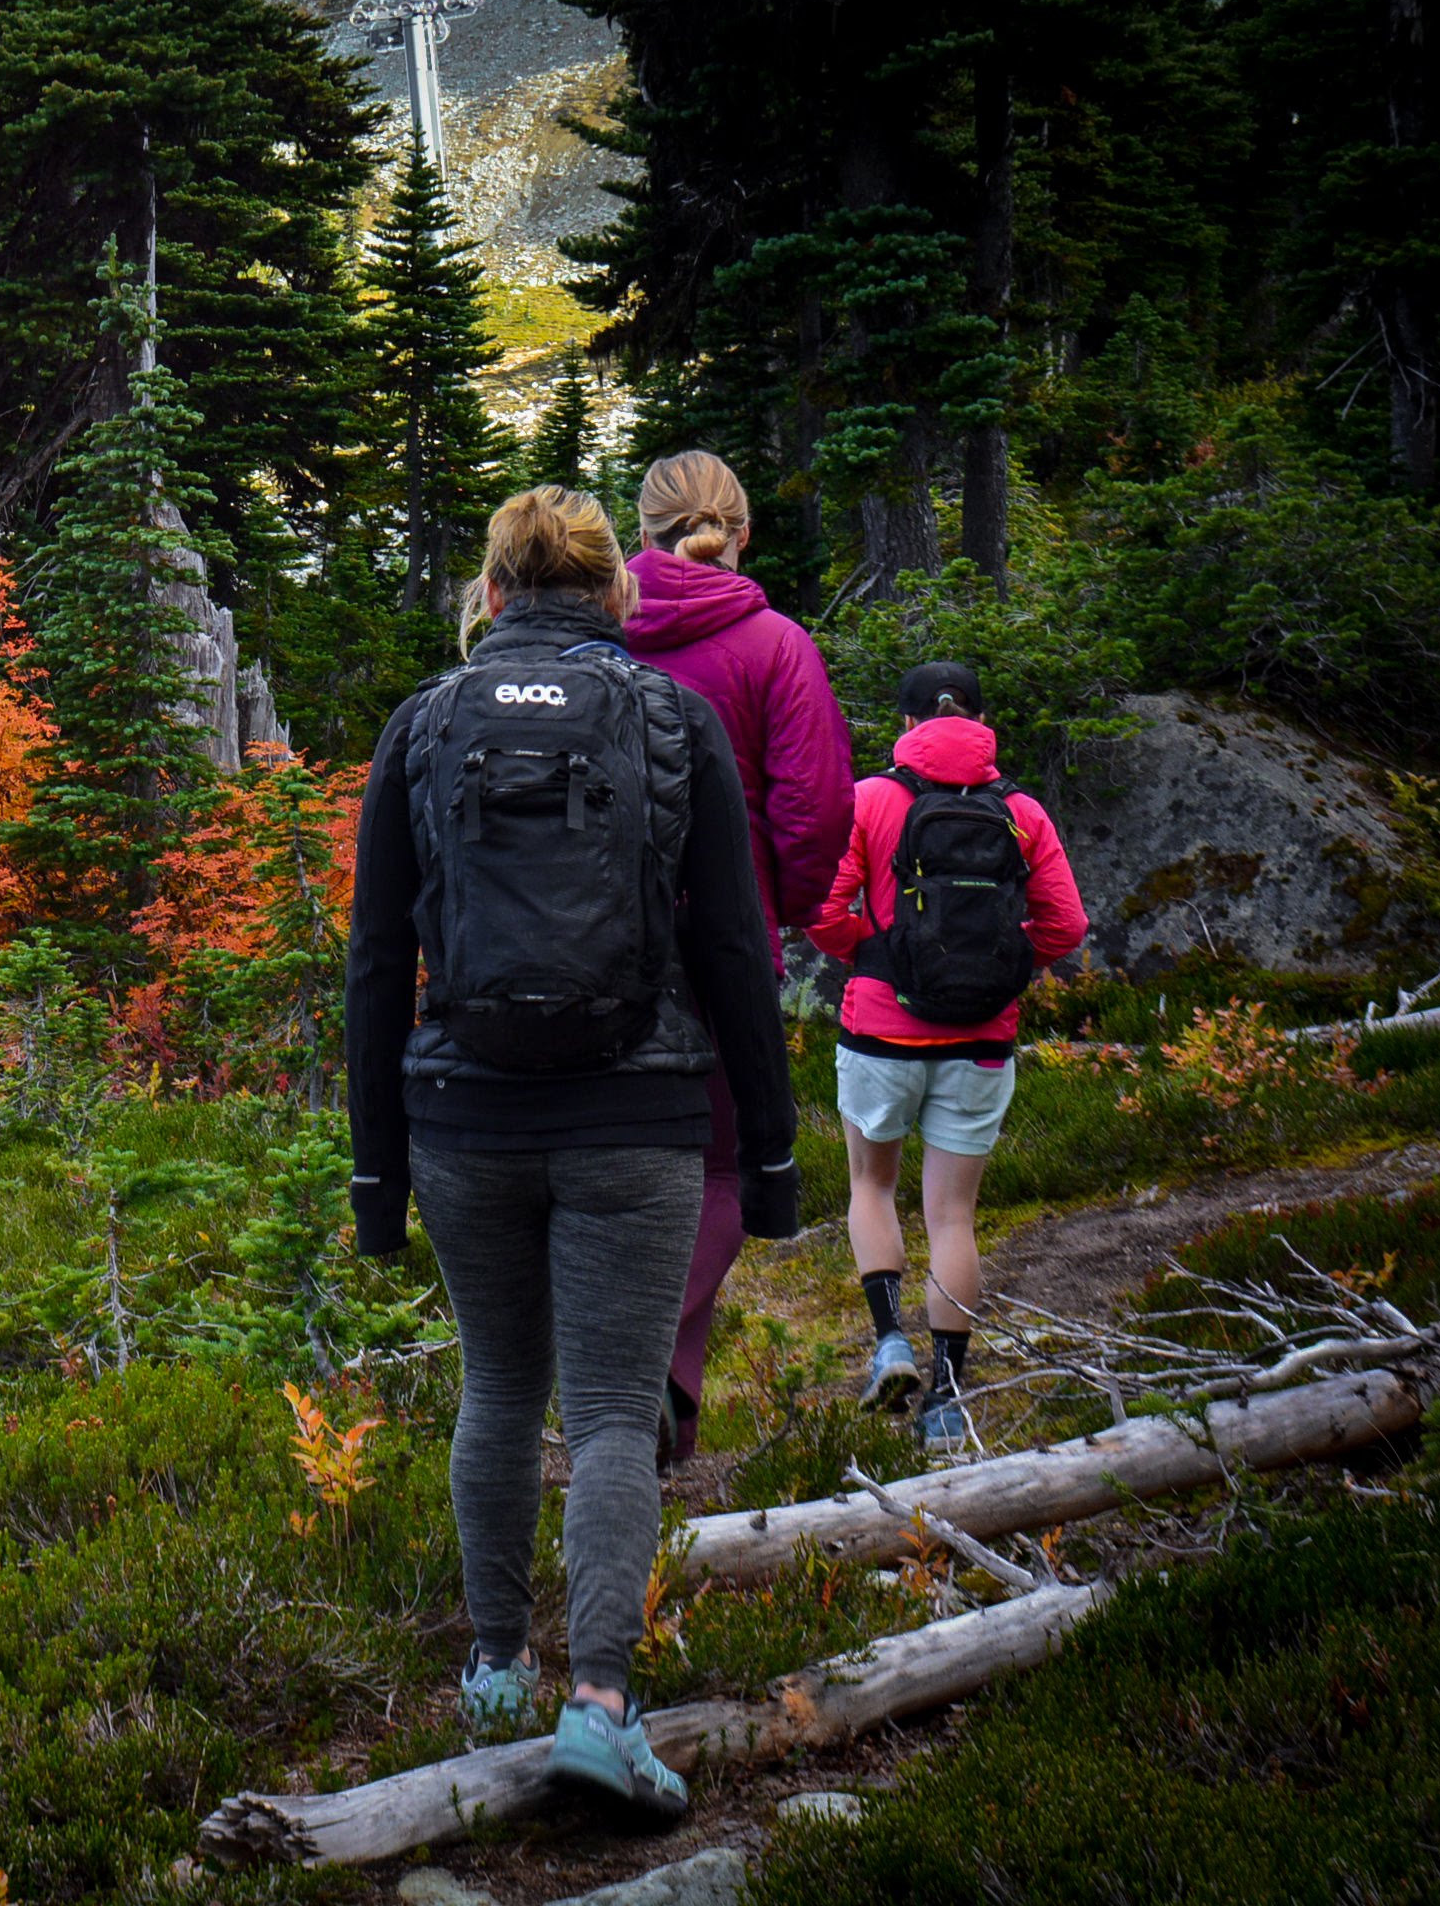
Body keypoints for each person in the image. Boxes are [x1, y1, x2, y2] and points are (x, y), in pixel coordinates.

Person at [345, 485, 799, 1822]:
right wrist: (768, 1156)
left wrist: (377, 1180)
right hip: (636, 1115)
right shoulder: (674, 719)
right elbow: (731, 949)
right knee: (609, 1411)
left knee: (497, 1388)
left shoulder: (424, 726)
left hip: (464, 1122)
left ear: (491, 596)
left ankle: (493, 1670)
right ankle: (599, 1707)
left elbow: (377, 967)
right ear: (620, 597)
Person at [624, 452, 853, 1465]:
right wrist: (787, 909)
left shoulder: (593, 633)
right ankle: (635, 1373)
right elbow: (813, 813)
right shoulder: (774, 646)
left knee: (610, 1164)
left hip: (590, 943)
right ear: (741, 533)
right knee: (718, 1169)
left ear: (643, 530)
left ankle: (669, 1415)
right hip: (723, 945)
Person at [808, 662, 1088, 1453]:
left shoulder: (870, 800)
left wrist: (873, 955)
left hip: (880, 1032)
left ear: (904, 725)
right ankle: (949, 1401)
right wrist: (1006, 969)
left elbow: (823, 908)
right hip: (982, 1041)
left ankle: (888, 1341)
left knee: (872, 1183)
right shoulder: (1022, 812)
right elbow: (1065, 926)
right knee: (953, 1216)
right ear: (983, 720)